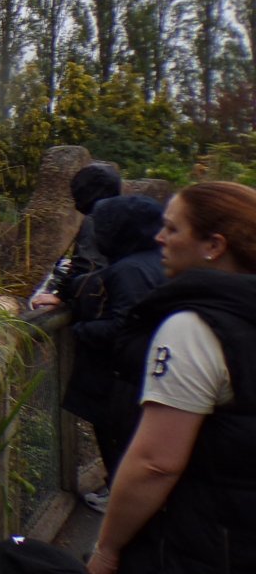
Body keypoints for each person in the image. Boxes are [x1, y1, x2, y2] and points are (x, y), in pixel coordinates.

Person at [86, 181, 256, 574]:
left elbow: (156, 463)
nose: (159, 238)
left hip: (206, 544)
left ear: (214, 245)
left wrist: (107, 548)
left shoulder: (194, 328)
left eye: (173, 228)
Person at [60, 195, 165, 510]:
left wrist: (80, 329)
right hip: (142, 372)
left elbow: (125, 324)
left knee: (118, 435)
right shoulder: (153, 261)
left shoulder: (129, 270)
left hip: (122, 375)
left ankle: (122, 497)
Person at [30, 163, 123, 310]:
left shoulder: (96, 220)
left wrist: (61, 296)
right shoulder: (125, 215)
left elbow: (88, 265)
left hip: (102, 309)